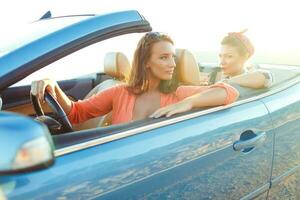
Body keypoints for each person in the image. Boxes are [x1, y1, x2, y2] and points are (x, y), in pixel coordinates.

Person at [31, 32, 239, 126]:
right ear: (146, 61)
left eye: (173, 58)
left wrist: (188, 103)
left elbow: (229, 92)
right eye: (164, 57)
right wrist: (53, 86)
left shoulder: (178, 93)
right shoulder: (119, 92)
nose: (172, 64)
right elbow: (76, 113)